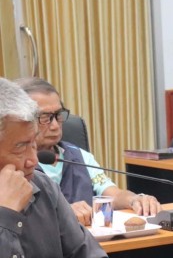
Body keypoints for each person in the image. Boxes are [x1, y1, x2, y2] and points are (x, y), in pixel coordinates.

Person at [0, 78, 170, 258]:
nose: (33, 160)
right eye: (20, 148)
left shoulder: (43, 188)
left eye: (33, 144)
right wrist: (6, 217)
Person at [14, 77, 161, 226]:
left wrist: (134, 199)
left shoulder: (79, 156)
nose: (55, 126)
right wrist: (64, 212)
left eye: (58, 115)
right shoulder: (16, 165)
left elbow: (112, 195)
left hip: (90, 238)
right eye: (45, 118)